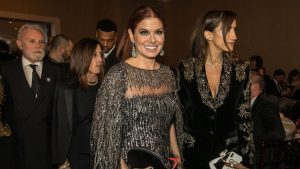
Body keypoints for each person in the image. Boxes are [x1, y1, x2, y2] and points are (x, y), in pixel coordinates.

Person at [91, 6, 191, 169]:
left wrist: (177, 157)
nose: (153, 40)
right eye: (144, 32)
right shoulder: (118, 75)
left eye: (158, 32)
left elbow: (170, 121)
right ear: (131, 35)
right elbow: (106, 137)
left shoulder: (168, 74)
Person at [177, 10, 255, 169]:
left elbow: (244, 118)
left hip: (229, 157)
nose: (234, 36)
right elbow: (179, 117)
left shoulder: (241, 70)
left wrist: (242, 162)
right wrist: (176, 156)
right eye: (228, 30)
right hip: (192, 158)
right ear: (208, 35)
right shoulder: (186, 69)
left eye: (235, 29)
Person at [0, 24, 61, 169]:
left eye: (41, 42)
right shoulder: (5, 71)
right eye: (32, 41)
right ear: (19, 44)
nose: (38, 46)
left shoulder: (57, 72)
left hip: (48, 152)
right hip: (16, 151)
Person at [52, 38, 104, 169]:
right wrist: (61, 159)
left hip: (102, 155)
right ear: (82, 57)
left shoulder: (106, 87)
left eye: (100, 54)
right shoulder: (66, 88)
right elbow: (58, 125)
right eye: (94, 55)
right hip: (76, 157)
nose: (100, 60)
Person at [250, 72, 285, 168]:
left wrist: (251, 140)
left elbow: (278, 134)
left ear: (255, 87)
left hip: (261, 155)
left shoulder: (266, 106)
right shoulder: (245, 101)